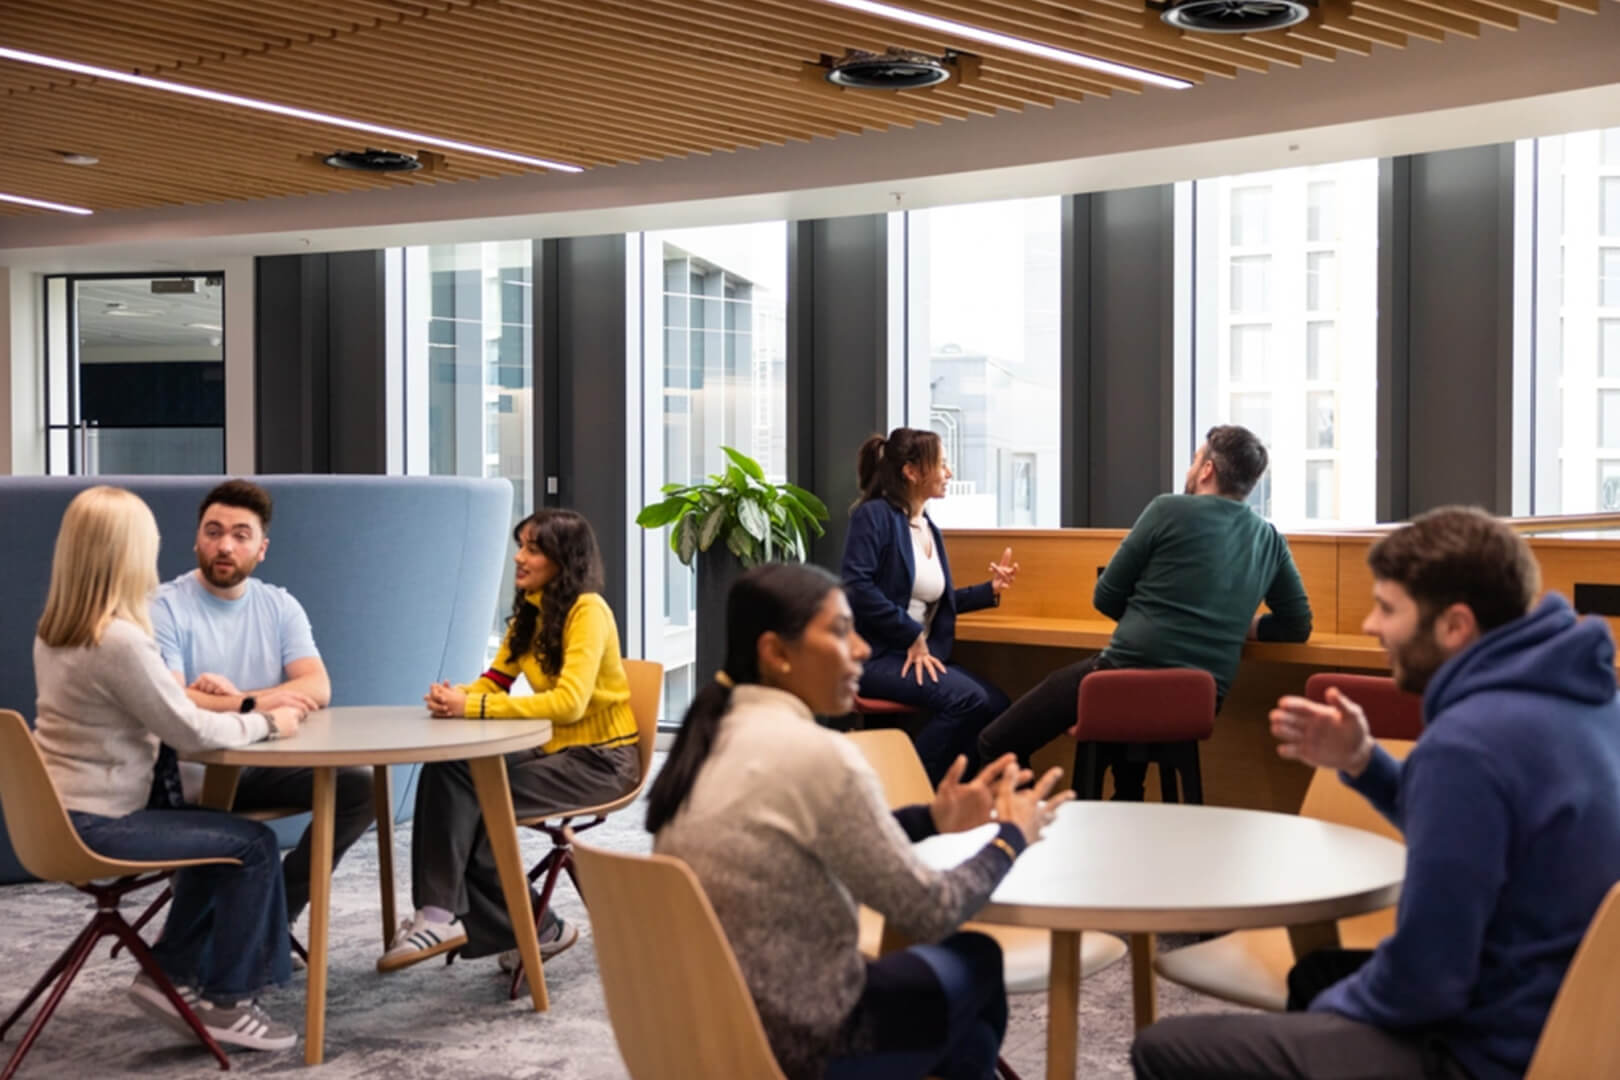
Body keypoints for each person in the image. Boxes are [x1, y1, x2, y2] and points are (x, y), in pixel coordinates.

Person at [1132, 506, 1620, 1080]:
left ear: (1454, 626)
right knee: (1318, 973)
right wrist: (1365, 763)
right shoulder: (1593, 705)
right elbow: (1479, 837)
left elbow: (1426, 980)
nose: (1371, 625)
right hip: (1578, 1025)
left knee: (1163, 1049)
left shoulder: (1469, 745)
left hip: (1486, 1050)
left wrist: (1319, 1024)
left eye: (1388, 608)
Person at [648, 562, 1072, 1080]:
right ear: (776, 653)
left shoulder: (708, 740)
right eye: (841, 632)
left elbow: (811, 836)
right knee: (976, 955)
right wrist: (1011, 837)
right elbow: (931, 911)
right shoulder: (821, 755)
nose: (864, 650)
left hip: (709, 1026)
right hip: (810, 1042)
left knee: (968, 1029)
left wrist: (933, 819)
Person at [32, 486, 307, 1051]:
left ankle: (173, 972)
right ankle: (226, 1002)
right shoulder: (120, 641)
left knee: (214, 828)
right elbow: (189, 730)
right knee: (252, 845)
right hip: (101, 821)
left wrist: (197, 697)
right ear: (128, 553)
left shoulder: (57, 629)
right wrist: (269, 722)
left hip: (55, 817)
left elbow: (168, 710)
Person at [977, 424, 1313, 799]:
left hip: (1122, 678)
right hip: (1197, 700)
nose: (1190, 470)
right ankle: (1127, 803)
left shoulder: (1168, 509)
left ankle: (1026, 829)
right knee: (1129, 707)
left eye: (1193, 461)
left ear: (1206, 471)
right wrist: (1239, 626)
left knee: (994, 743)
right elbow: (1296, 625)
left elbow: (1105, 597)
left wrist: (1150, 618)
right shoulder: (1269, 539)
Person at [380, 508, 640, 973]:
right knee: (451, 769)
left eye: (533, 549)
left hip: (602, 762)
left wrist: (473, 709)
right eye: (520, 545)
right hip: (554, 750)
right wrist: (456, 696)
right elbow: (495, 682)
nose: (519, 558)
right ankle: (454, 917)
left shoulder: (588, 611)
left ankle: (502, 924)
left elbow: (569, 704)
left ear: (564, 560)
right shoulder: (532, 610)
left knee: (478, 803)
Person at [150, 478, 374, 930]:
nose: (224, 546)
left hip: (262, 762)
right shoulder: (164, 606)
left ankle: (277, 914)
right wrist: (253, 703)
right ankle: (235, 927)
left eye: (240, 535)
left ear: (261, 549)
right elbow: (171, 698)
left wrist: (232, 700)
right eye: (213, 532)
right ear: (196, 539)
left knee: (361, 787)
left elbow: (317, 687)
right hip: (192, 771)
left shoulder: (279, 606)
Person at [842, 427, 1019, 784]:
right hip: (876, 657)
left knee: (999, 708)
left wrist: (991, 590)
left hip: (918, 655)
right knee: (967, 701)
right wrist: (911, 634)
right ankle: (908, 790)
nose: (949, 473)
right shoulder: (874, 516)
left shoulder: (927, 528)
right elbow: (856, 586)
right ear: (911, 472)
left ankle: (961, 794)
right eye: (941, 464)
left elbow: (934, 597)